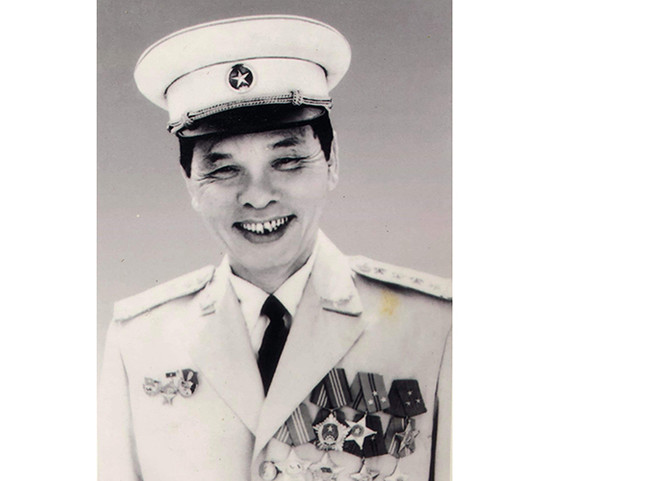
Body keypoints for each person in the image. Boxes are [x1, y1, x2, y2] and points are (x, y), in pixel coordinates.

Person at [99, 15, 451, 481]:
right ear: (190, 183)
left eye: (286, 161)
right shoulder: (141, 339)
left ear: (331, 162)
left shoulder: (432, 327)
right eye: (223, 169)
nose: (257, 195)